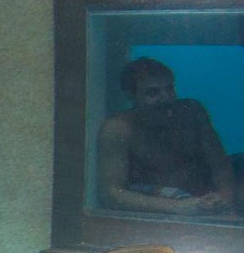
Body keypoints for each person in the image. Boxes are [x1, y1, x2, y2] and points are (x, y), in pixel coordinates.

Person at [95, 57, 235, 216]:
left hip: (205, 201)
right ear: (130, 95)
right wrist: (176, 207)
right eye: (153, 92)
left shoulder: (192, 114)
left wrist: (225, 200)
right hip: (160, 210)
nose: (166, 98)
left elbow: (220, 166)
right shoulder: (118, 129)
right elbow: (111, 194)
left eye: (169, 89)